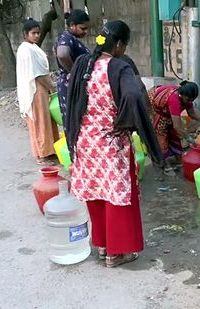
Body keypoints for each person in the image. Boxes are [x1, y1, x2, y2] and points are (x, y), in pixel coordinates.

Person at [65, 20, 163, 268]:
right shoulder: (119, 67)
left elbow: (71, 97)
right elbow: (133, 95)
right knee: (117, 195)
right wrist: (126, 123)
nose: (124, 50)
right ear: (119, 44)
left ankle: (102, 246)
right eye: (125, 46)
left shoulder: (83, 63)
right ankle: (117, 253)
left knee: (96, 193)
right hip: (110, 142)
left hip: (86, 141)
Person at [16, 18, 59, 164]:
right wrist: (52, 88)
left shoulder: (31, 47)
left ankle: (50, 150)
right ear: (25, 34)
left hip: (39, 88)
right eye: (33, 33)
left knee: (46, 120)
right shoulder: (27, 49)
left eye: (38, 33)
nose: (36, 36)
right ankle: (43, 153)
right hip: (35, 89)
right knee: (40, 120)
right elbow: (37, 74)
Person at [148, 81, 200, 175]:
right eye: (189, 100)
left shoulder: (187, 97)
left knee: (174, 132)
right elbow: (177, 127)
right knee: (161, 133)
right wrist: (190, 139)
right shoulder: (174, 100)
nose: (191, 102)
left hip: (168, 109)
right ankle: (164, 164)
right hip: (155, 106)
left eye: (192, 100)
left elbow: (192, 114)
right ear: (182, 96)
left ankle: (178, 158)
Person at [54, 9, 90, 130]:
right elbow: (62, 54)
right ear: (72, 26)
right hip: (70, 85)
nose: (85, 31)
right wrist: (74, 73)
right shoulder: (66, 37)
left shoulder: (70, 39)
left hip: (71, 84)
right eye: (82, 28)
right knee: (75, 122)